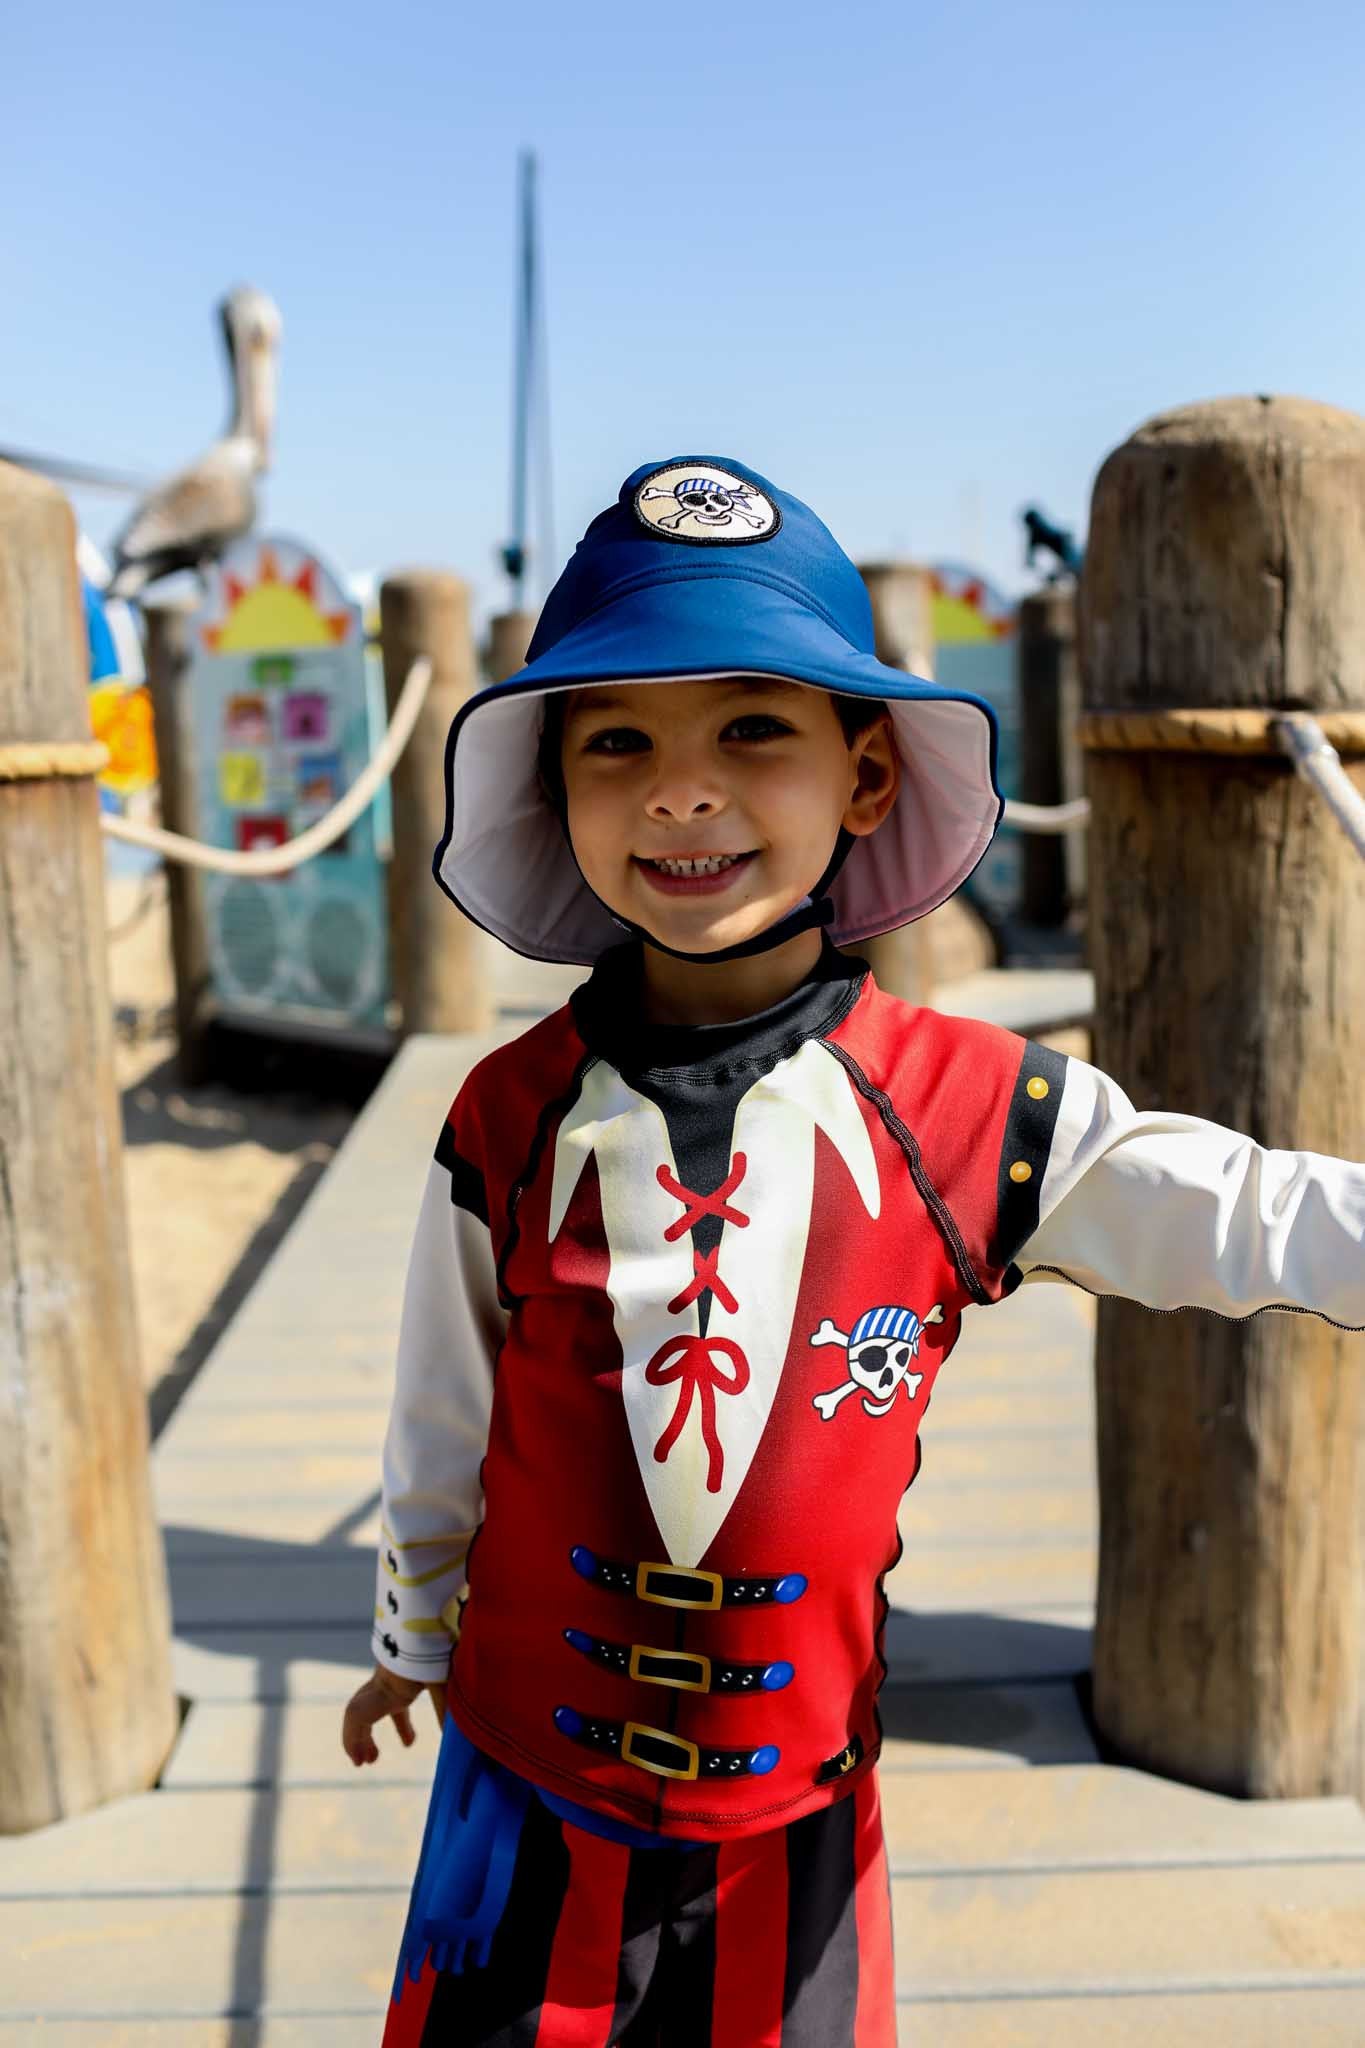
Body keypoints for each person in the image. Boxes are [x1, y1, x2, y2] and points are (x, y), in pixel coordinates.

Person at [342, 457, 1365, 2046]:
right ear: (555, 790)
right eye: (617, 741)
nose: (682, 789)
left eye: (754, 727)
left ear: (867, 778)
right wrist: (409, 1632)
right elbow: (442, 1405)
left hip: (791, 1817)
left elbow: (1238, 1209)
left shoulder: (972, 1108)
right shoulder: (504, 1113)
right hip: (522, 1795)